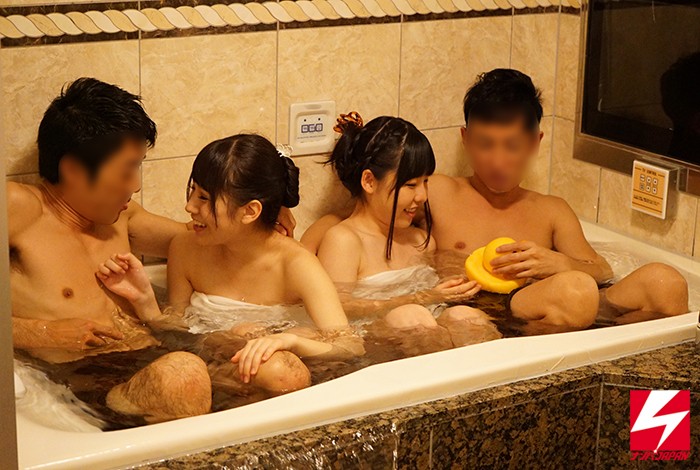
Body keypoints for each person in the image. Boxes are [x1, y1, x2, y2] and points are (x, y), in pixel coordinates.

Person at [304, 69, 689, 329]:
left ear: (535, 142)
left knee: (666, 283)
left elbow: (601, 269)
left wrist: (555, 262)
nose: (498, 160)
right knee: (576, 292)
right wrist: (294, 248)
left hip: (554, 308)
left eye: (512, 146)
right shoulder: (438, 192)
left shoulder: (551, 210)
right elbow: (360, 218)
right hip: (475, 315)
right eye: (485, 144)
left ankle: (652, 415)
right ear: (465, 139)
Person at [8, 78, 295, 423]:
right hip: (83, 380)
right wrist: (43, 333)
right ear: (73, 170)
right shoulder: (19, 208)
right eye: (127, 169)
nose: (136, 184)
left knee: (283, 371)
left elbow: (204, 236)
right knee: (182, 376)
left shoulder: (122, 216)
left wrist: (261, 215)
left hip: (155, 357)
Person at [97, 134, 364, 392]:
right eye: (192, 192)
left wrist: (289, 341)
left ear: (250, 211)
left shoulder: (296, 265)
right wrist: (146, 303)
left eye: (204, 198)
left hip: (284, 380)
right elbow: (176, 334)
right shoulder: (186, 248)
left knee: (277, 371)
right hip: (215, 370)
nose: (190, 207)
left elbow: (351, 346)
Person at [314, 113, 501, 351]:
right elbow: (336, 310)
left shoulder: (420, 240)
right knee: (412, 319)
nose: (422, 196)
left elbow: (437, 296)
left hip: (427, 328)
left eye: (425, 182)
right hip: (369, 344)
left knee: (466, 317)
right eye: (410, 185)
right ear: (369, 181)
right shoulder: (344, 240)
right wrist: (421, 298)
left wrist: (460, 284)